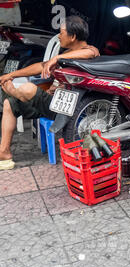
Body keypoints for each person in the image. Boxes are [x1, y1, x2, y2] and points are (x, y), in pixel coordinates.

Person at [0, 15, 99, 170]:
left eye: (62, 32)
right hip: (50, 102)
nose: (59, 36)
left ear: (72, 37)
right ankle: (4, 152)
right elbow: (40, 66)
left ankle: (18, 93)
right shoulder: (66, 53)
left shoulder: (88, 52)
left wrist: (57, 58)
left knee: (28, 89)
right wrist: (12, 75)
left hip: (66, 109)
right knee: (9, 104)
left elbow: (91, 52)